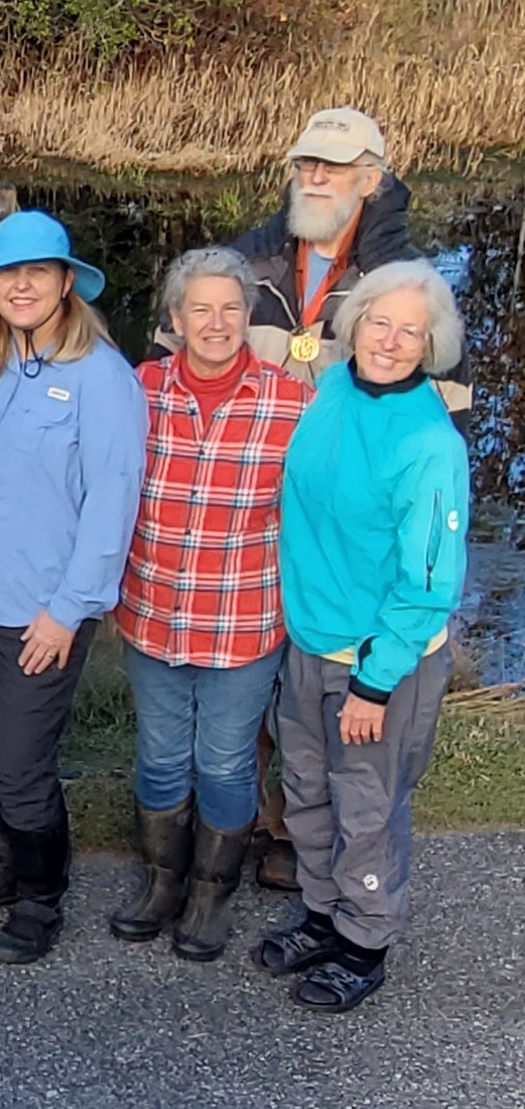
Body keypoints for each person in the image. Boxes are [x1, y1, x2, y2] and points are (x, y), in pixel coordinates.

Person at [212, 106, 460, 893]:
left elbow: (434, 417)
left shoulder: (402, 282)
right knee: (258, 687)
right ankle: (246, 815)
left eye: (333, 166)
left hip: (345, 538)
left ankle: (306, 850)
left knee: (343, 744)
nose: (314, 178)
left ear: (371, 179)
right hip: (255, 523)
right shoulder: (243, 265)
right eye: (305, 165)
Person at [0, 212, 148, 965]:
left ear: (63, 284)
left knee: (20, 764)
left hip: (36, 612)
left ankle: (43, 896)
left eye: (36, 272)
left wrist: (67, 611)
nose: (19, 284)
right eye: (6, 273)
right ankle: (1, 867)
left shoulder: (102, 378)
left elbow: (111, 506)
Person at [256, 260, 468, 1012]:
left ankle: (364, 940)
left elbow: (429, 579)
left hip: (380, 661)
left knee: (365, 804)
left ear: (430, 342)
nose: (390, 339)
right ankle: (320, 913)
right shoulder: (330, 390)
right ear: (356, 321)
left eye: (411, 330)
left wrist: (375, 680)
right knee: (305, 789)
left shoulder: (429, 443)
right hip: (308, 640)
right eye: (380, 320)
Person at [108, 247, 313, 961]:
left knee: (224, 762)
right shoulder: (139, 388)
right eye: (200, 307)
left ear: (248, 316)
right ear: (174, 318)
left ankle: (210, 892)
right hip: (151, 609)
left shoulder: (292, 402)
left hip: (242, 616)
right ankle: (163, 881)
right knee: (161, 756)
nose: (216, 322)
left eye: (230, 308)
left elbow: (321, 505)